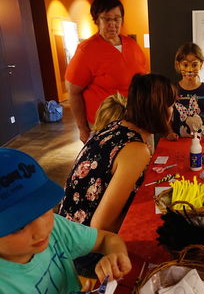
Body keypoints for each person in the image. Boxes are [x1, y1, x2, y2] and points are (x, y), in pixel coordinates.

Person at [58, 73, 175, 277]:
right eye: (171, 104)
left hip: (65, 236)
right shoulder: (136, 149)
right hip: (83, 251)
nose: (173, 111)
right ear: (159, 109)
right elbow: (100, 226)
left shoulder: (115, 126)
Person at [0, 148, 132, 294]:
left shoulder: (56, 227)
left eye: (43, 211)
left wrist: (116, 254)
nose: (42, 231)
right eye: (19, 227)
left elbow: (107, 239)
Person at [66, 0, 147, 143]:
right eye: (106, 19)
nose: (112, 25)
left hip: (136, 120)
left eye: (117, 19)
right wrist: (83, 129)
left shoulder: (132, 45)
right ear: (96, 20)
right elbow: (73, 92)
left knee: (140, 160)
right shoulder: (86, 50)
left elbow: (144, 80)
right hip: (105, 125)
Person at [166, 42, 204, 141]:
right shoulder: (172, 89)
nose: (190, 69)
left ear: (201, 64)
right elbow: (166, 116)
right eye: (185, 65)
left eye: (194, 65)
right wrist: (170, 132)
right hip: (179, 142)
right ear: (178, 65)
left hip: (202, 141)